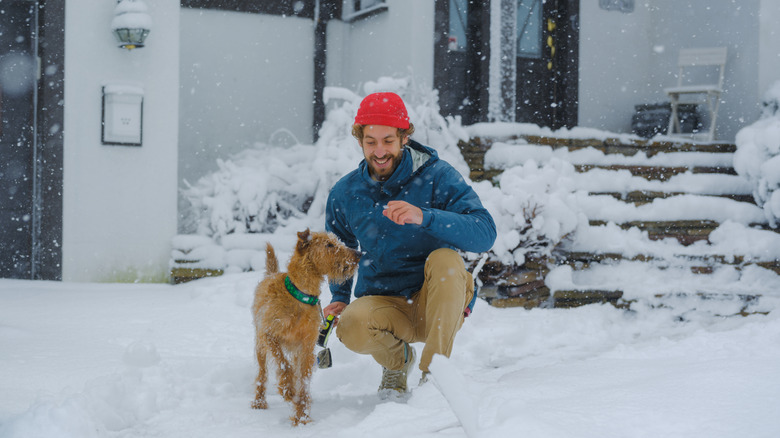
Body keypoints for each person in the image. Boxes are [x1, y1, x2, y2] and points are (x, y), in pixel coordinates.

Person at [323, 92, 496, 398]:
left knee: (445, 259)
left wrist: (425, 216)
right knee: (350, 326)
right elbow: (339, 248)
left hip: (437, 301)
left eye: (388, 140)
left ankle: (434, 375)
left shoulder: (437, 177)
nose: (379, 151)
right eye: (370, 141)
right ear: (359, 140)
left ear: (404, 138)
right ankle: (397, 363)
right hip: (385, 306)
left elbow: (485, 233)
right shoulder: (345, 193)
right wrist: (339, 297)